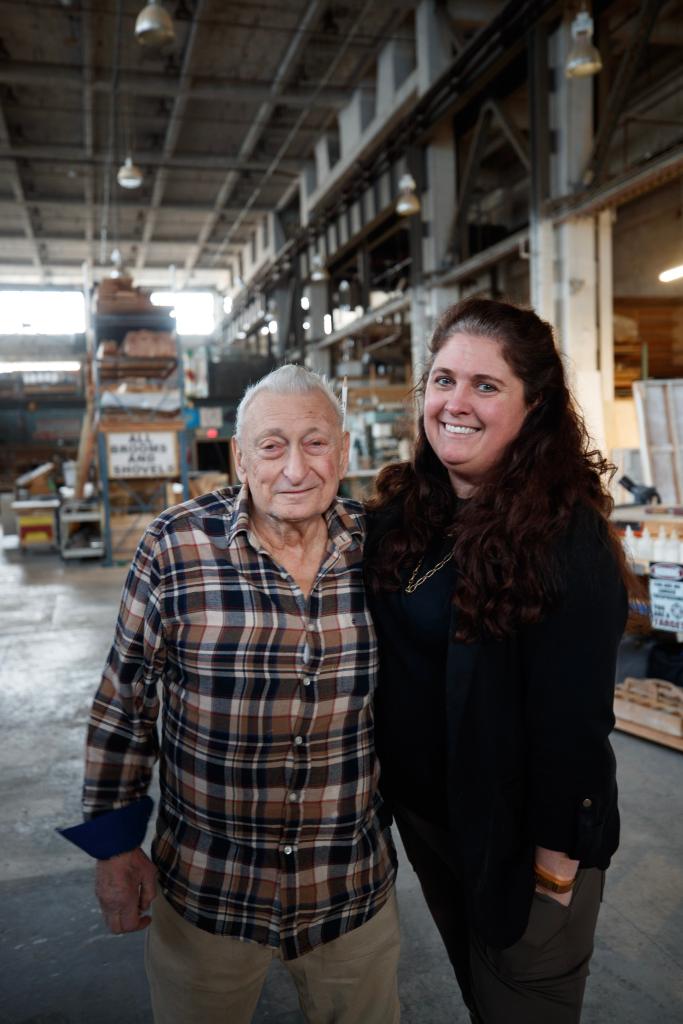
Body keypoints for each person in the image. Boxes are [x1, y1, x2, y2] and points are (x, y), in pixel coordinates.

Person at [60, 364, 399, 1024]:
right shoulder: (175, 544)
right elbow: (124, 702)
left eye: (315, 442)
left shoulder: (384, 548)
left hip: (349, 887)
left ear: (345, 451)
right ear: (240, 457)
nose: (296, 469)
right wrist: (115, 847)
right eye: (272, 446)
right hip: (210, 892)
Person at [364, 298, 629, 1024]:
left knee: (522, 1001)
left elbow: (574, 725)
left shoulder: (564, 543)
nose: (456, 403)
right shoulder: (410, 517)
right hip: (436, 825)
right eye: (443, 380)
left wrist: (554, 868)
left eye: (486, 386)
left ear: (533, 406)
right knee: (481, 998)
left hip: (525, 843)